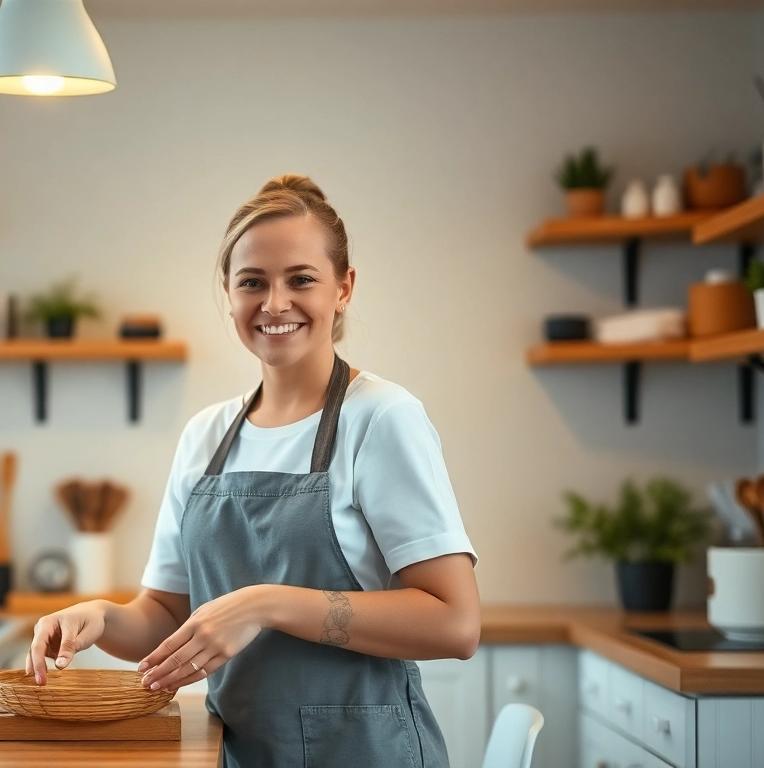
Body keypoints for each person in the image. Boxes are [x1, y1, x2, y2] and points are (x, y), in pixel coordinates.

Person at [26, 174, 479, 768]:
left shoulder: (383, 418)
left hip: (365, 755)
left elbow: (454, 623)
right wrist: (98, 617)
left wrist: (266, 604)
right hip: (237, 755)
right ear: (229, 293)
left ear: (343, 288)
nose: (274, 304)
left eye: (301, 280)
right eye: (252, 283)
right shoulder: (206, 436)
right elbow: (164, 614)